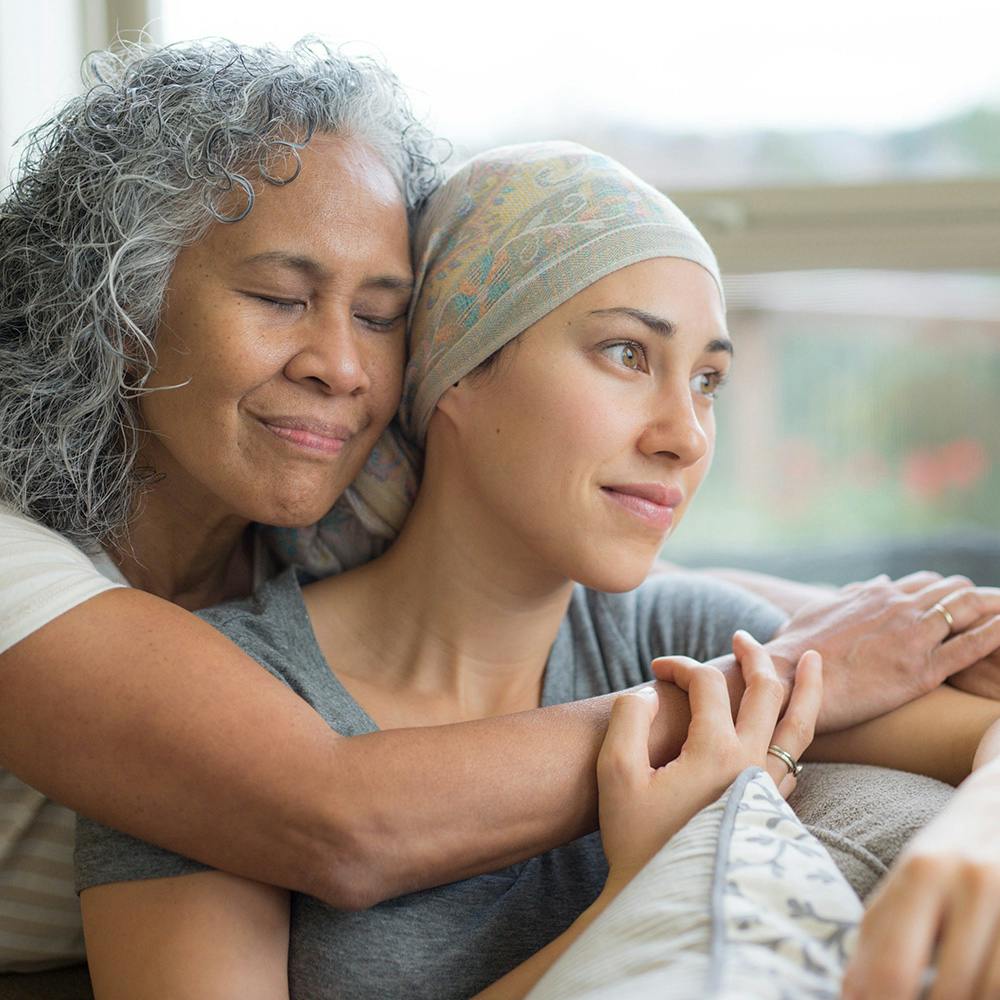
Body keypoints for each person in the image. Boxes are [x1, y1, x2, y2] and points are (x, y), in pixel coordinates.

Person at [1, 37, 997, 977]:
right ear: (120, 308)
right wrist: (758, 696)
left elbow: (649, 590)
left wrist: (932, 685)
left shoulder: (323, 517)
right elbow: (336, 815)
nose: (344, 367)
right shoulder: (36, 569)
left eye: (382, 316)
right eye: (276, 297)